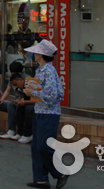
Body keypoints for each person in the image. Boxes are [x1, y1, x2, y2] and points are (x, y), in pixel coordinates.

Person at [23, 40, 67, 189]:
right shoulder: (41, 70)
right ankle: (40, 179)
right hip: (40, 111)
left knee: (43, 146)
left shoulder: (49, 70)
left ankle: (60, 172)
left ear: (41, 55)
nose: (34, 54)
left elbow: (52, 94)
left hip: (49, 113)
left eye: (36, 52)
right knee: (37, 146)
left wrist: (32, 92)